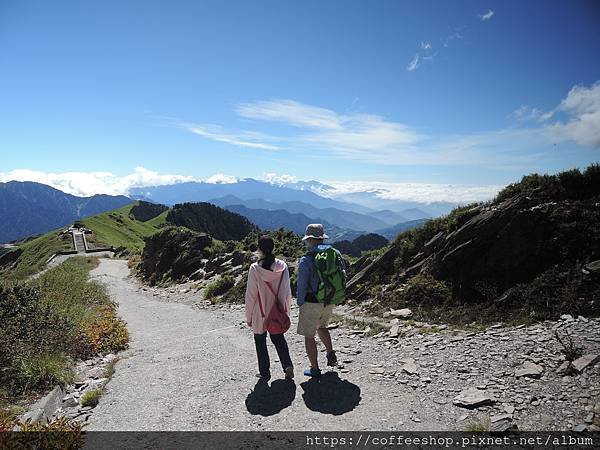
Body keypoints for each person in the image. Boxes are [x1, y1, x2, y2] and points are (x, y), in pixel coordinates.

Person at [296, 224, 345, 377]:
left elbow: (302, 284)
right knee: (322, 327)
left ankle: (314, 368)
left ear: (309, 239)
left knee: (309, 335)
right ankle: (331, 353)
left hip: (311, 302)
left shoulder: (306, 259)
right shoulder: (335, 253)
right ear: (322, 238)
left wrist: (299, 302)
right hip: (329, 299)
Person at [245, 235, 294, 381]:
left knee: (260, 342)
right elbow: (286, 291)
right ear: (273, 248)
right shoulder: (282, 266)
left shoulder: (255, 269)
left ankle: (265, 372)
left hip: (260, 312)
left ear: (259, 249)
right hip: (276, 311)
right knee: (279, 339)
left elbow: (251, 296)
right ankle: (287, 366)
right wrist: (286, 311)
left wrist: (248, 317)